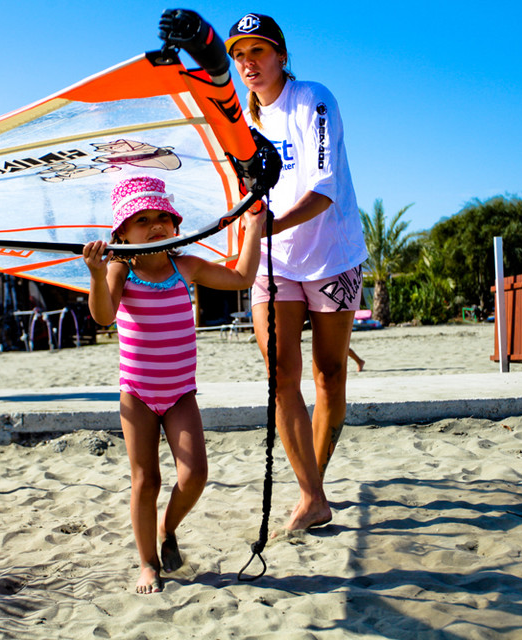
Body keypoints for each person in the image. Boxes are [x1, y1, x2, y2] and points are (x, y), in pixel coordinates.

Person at [82, 176, 264, 594]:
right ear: (121, 233)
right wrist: (95, 275)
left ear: (177, 224)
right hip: (139, 396)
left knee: (195, 474)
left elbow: (240, 277)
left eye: (162, 216)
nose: (155, 225)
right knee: (146, 481)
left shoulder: (186, 267)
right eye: (141, 219)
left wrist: (253, 228)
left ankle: (168, 525)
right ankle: (147, 563)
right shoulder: (119, 269)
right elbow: (104, 316)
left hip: (181, 392)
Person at [226, 13, 368, 531]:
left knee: (328, 373)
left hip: (334, 253)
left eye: (258, 51)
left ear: (281, 56)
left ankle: (316, 483)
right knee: (279, 375)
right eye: (240, 55)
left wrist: (273, 224)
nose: (248, 63)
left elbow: (325, 187)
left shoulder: (314, 99)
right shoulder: (241, 123)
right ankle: (312, 495)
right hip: (275, 261)